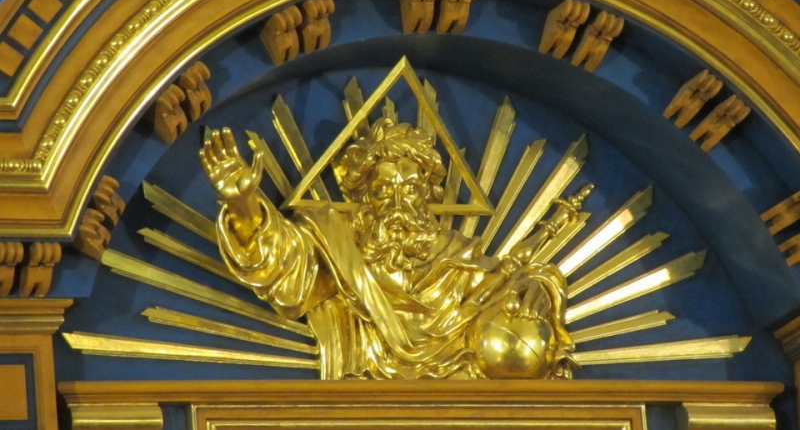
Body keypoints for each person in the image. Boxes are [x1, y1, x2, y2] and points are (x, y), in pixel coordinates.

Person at [200, 118, 587, 379]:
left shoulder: (461, 261)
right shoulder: (337, 252)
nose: (400, 204)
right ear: (364, 197)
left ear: (428, 194)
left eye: (411, 189)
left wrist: (537, 290)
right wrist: (244, 206)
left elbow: (507, 285)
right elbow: (283, 263)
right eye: (384, 190)